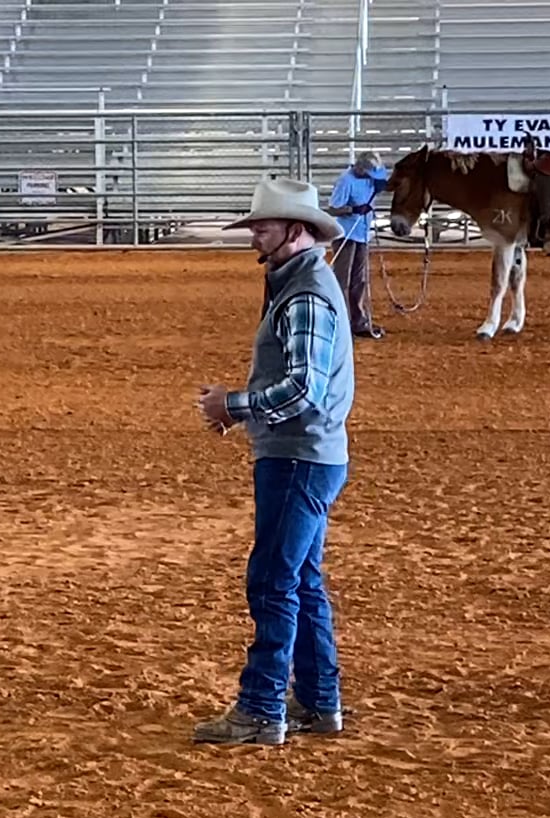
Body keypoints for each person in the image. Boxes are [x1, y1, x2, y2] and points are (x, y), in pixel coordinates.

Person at [193, 178, 357, 746]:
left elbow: (304, 390)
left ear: (296, 230)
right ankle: (317, 701)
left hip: (296, 457)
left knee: (273, 581)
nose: (254, 235)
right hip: (308, 455)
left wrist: (234, 406)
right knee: (299, 580)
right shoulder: (304, 284)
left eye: (263, 226)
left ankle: (263, 708)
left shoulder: (305, 293)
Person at [326, 151, 390, 339]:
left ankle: (358, 320)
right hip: (346, 234)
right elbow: (333, 209)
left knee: (359, 280)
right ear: (360, 168)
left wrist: (381, 186)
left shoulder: (372, 176)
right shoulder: (345, 181)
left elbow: (384, 181)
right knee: (342, 280)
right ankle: (341, 321)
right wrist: (353, 209)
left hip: (362, 233)